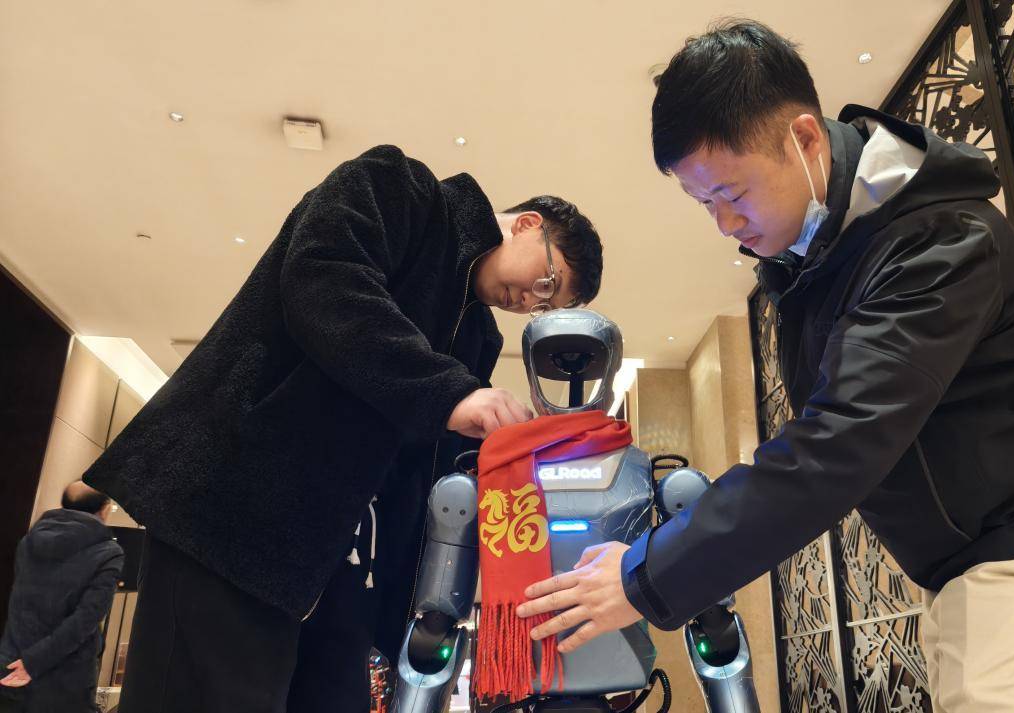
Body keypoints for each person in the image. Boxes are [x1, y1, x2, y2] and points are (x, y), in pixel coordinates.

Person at [517, 20, 1014, 713]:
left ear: (806, 139)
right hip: (967, 558)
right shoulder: (820, 257)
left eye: (733, 194)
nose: (725, 225)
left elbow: (834, 446)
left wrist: (643, 576)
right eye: (705, 204)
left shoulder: (937, 244)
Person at [81, 145, 604, 713]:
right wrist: (450, 392)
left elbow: (430, 470)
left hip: (342, 564)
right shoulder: (399, 187)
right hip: (234, 513)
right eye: (547, 282)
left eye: (543, 306)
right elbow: (323, 281)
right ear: (527, 225)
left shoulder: (478, 334)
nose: (528, 302)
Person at [0, 482, 125, 713]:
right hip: (66, 676)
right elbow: (85, 620)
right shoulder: (107, 552)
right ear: (105, 508)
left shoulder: (30, 540)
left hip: (13, 664)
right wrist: (33, 662)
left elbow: (21, 605)